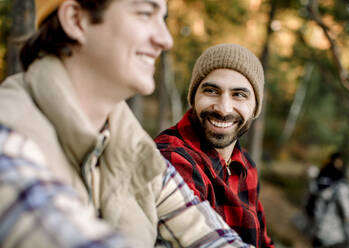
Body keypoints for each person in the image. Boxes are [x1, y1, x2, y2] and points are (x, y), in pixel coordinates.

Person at [0, 1, 251, 247]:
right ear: (76, 20)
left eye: (162, 18)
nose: (166, 40)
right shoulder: (8, 139)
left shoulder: (134, 148)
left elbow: (209, 236)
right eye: (144, 13)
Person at [155, 44, 275, 248]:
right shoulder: (172, 157)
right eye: (211, 91)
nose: (223, 108)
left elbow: (263, 242)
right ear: (193, 97)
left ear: (255, 107)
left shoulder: (246, 164)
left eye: (239, 95)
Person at [304, 152, 349, 247]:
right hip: (330, 218)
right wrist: (348, 216)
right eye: (340, 160)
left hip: (320, 216)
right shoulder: (336, 176)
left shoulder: (325, 173)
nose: (341, 162)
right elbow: (343, 199)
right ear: (336, 160)